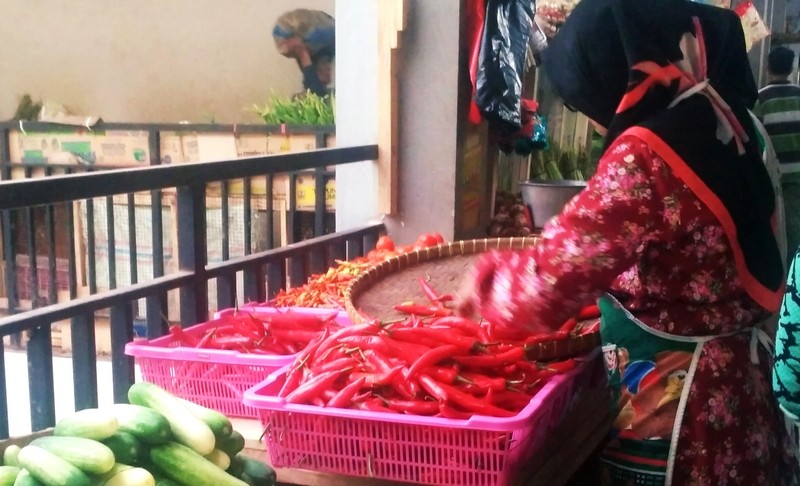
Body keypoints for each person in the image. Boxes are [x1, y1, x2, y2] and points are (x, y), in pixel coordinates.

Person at [457, 0, 798, 484]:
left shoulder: (645, 153)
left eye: (582, 100)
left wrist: (486, 282)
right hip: (741, 387)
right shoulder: (725, 120)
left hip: (682, 410)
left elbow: (549, 285)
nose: (593, 119)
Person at [754, 46, 800, 263]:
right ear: (791, 68)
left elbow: (756, 140)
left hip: (775, 177)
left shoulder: (761, 100)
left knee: (778, 231)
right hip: (798, 174)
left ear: (769, 67)